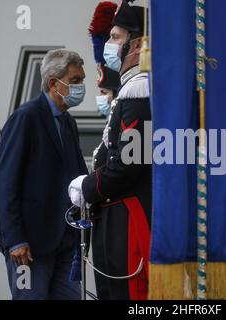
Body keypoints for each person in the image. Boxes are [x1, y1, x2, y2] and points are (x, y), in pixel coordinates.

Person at [0, 49, 88, 299]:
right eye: (75, 80)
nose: (82, 87)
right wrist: (16, 240)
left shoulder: (67, 121)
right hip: (29, 243)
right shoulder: (26, 117)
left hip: (65, 240)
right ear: (54, 83)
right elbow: (5, 182)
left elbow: (76, 176)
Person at [69, 0, 151, 300]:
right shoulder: (131, 90)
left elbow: (131, 164)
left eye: (115, 37)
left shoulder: (139, 91)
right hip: (117, 219)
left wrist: (88, 186)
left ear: (138, 42)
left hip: (130, 221)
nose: (109, 43)